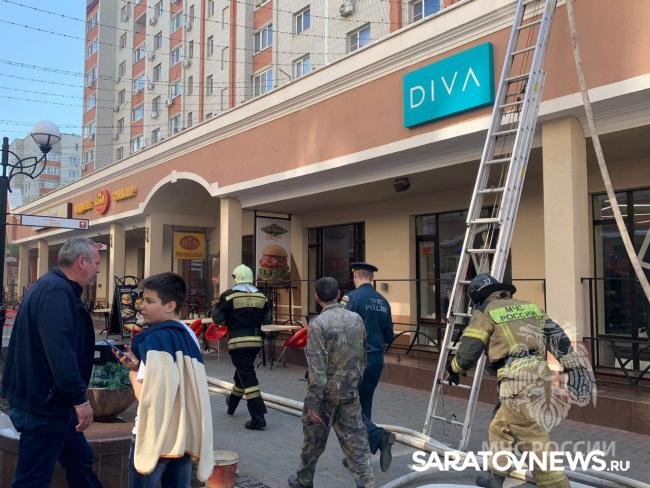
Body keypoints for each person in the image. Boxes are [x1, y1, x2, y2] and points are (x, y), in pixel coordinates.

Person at [446, 273, 595, 488]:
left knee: (532, 438)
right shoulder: (529, 307)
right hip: (540, 376)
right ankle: (496, 477)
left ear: (477, 298)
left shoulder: (484, 312)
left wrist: (454, 368)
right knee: (500, 427)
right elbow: (557, 337)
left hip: (516, 381)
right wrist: (572, 365)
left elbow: (469, 352)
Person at [1, 238, 103, 487]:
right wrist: (80, 399)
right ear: (81, 262)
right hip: (44, 405)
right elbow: (60, 351)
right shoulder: (56, 293)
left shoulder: (52, 287)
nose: (98, 269)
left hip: (51, 402)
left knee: (80, 461)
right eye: (97, 263)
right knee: (33, 478)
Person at [116, 272, 213, 487]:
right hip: (182, 435)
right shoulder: (189, 334)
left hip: (153, 436)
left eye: (150, 301)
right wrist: (139, 365)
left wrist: (132, 371)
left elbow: (146, 395)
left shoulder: (155, 340)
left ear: (170, 305)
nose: (142, 307)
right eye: (143, 300)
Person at [289, 277, 375, 488]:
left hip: (325, 396)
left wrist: (313, 404)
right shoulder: (356, 319)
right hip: (349, 392)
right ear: (338, 295)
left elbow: (317, 370)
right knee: (357, 445)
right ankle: (367, 483)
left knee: (313, 443)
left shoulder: (318, 324)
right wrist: (355, 382)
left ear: (316, 297)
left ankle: (303, 480)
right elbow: (363, 356)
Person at [341, 262, 395, 471]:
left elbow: (341, 328)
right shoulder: (383, 301)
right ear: (371, 278)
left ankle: (379, 437)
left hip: (356, 360)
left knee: (346, 408)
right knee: (364, 406)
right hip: (376, 360)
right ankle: (358, 456)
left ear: (355, 276)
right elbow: (389, 335)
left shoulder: (351, 298)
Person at [211, 264, 272, 430]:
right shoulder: (262, 296)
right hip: (256, 342)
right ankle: (232, 403)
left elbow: (217, 319)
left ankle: (258, 417)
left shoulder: (228, 296)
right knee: (243, 373)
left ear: (235, 278)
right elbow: (268, 320)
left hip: (238, 342)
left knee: (248, 376)